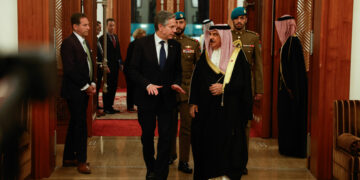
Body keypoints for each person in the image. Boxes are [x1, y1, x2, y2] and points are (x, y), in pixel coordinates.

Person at [127, 11, 185, 180]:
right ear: (161, 26)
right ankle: (150, 167)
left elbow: (178, 71)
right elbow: (131, 70)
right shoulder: (141, 44)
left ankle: (161, 174)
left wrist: (176, 82)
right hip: (147, 100)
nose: (176, 29)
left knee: (166, 138)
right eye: (172, 26)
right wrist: (147, 84)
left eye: (176, 26)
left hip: (168, 100)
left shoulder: (176, 46)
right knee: (147, 136)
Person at [189, 24, 252, 180]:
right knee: (206, 142)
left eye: (215, 35)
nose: (211, 38)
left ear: (224, 36)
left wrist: (225, 88)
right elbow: (196, 81)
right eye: (210, 34)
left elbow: (243, 83)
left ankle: (226, 173)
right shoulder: (205, 56)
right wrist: (193, 102)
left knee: (229, 144)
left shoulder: (237, 56)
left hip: (229, 110)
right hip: (207, 111)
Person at [60, 13, 95, 174]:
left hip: (84, 89)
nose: (88, 27)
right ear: (75, 26)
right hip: (74, 91)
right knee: (81, 126)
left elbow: (89, 64)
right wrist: (85, 86)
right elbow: (70, 69)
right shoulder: (68, 43)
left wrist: (93, 82)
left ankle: (68, 157)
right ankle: (81, 161)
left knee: (75, 123)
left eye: (88, 24)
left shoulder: (84, 42)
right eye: (85, 25)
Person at [231, 6, 264, 175]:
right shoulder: (226, 37)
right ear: (232, 20)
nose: (239, 21)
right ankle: (229, 159)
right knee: (229, 125)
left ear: (246, 20)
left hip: (246, 90)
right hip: (229, 90)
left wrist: (259, 89)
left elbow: (258, 65)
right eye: (236, 18)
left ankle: (242, 162)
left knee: (245, 126)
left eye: (242, 18)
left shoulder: (252, 38)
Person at [168, 11, 201, 174]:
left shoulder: (193, 44)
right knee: (169, 126)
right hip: (169, 91)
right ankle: (171, 154)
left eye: (182, 22)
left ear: (185, 24)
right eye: (176, 23)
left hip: (186, 92)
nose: (179, 26)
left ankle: (184, 160)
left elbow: (199, 71)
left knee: (186, 129)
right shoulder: (166, 42)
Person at [275, 15, 307, 158]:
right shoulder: (287, 43)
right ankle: (285, 147)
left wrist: (292, 91)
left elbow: (295, 72)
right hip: (287, 92)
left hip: (291, 94)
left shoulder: (293, 43)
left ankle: (291, 149)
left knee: (291, 121)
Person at [99, 18, 122, 114]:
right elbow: (101, 54)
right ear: (106, 26)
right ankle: (106, 107)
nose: (112, 27)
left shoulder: (115, 37)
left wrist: (121, 63)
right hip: (107, 67)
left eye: (113, 25)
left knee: (113, 86)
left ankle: (110, 106)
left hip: (116, 66)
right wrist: (105, 66)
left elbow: (118, 52)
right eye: (110, 25)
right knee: (107, 87)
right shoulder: (102, 38)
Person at [124, 28, 146, 112]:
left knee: (135, 89)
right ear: (138, 36)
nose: (144, 37)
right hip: (130, 70)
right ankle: (130, 106)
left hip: (134, 70)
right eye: (143, 35)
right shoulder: (133, 44)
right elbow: (130, 59)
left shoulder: (140, 44)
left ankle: (134, 105)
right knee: (131, 89)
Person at [95, 21, 106, 117]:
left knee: (98, 88)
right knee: (96, 88)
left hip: (100, 67)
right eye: (99, 28)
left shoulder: (97, 39)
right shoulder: (92, 39)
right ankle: (95, 107)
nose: (100, 29)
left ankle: (97, 105)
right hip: (96, 68)